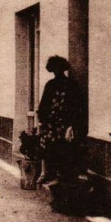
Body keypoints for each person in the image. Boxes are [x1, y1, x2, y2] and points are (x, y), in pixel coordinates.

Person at [36, 55, 84, 186]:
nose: (57, 71)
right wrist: (41, 120)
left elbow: (76, 106)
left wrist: (71, 125)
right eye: (54, 68)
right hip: (50, 123)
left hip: (64, 124)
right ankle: (46, 174)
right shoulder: (50, 85)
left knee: (63, 149)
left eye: (59, 68)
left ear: (63, 68)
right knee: (47, 148)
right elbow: (44, 104)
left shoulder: (71, 85)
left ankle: (60, 175)